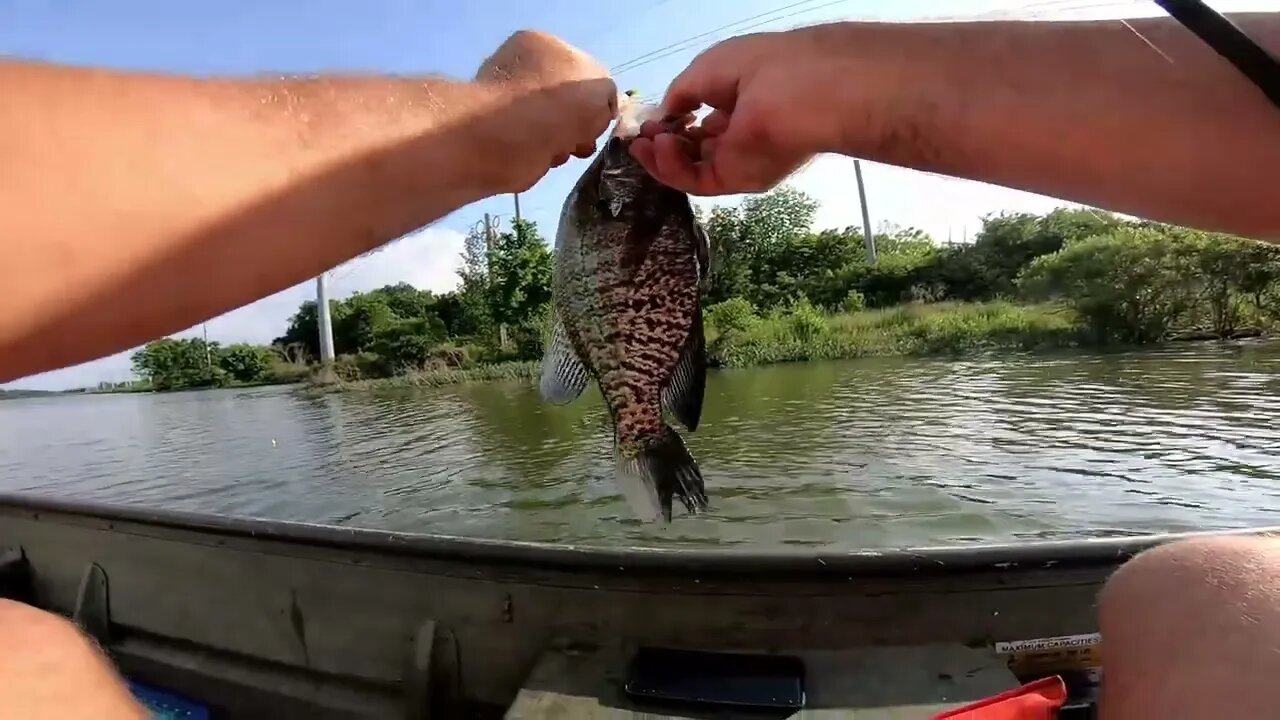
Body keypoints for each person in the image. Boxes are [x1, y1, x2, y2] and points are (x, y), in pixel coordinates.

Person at [0, 12, 1277, 719]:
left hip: (618, 330)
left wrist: (490, 124)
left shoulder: (623, 207)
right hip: (626, 335)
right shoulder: (633, 208)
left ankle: (646, 440)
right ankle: (647, 438)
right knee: (1186, 588)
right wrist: (847, 81)